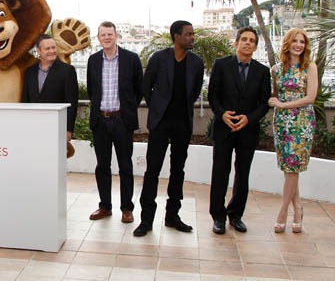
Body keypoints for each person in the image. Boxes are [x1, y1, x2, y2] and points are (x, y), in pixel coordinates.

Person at [134, 21, 204, 236]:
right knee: (152, 170)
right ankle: (146, 220)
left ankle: (172, 216)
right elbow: (146, 86)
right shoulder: (159, 58)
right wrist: (157, 107)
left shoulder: (197, 62)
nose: (192, 37)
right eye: (188, 34)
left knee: (178, 171)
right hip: (160, 122)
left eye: (193, 34)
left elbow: (195, 91)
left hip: (183, 122)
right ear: (176, 36)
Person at [208, 26, 271, 234]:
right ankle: (218, 217)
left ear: (255, 46)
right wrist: (222, 114)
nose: (247, 43)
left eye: (251, 40)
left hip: (247, 131)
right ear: (236, 42)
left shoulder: (262, 72)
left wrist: (249, 119)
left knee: (242, 175)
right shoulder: (221, 65)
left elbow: (264, 103)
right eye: (243, 39)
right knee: (220, 173)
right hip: (223, 129)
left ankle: (236, 215)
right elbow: (212, 96)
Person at [86, 21, 143, 223]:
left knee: (125, 166)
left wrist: (126, 109)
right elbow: (93, 90)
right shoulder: (93, 60)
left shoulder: (131, 59)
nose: (107, 38)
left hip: (122, 121)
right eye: (103, 35)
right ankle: (105, 206)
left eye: (110, 34)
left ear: (116, 36)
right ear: (99, 38)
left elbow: (138, 90)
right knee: (102, 166)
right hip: (100, 121)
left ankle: (127, 208)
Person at [268, 28, 317, 234]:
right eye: (295, 41)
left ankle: (283, 212)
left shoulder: (310, 67)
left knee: (292, 167)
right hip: (282, 123)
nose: (299, 45)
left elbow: (310, 97)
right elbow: (274, 96)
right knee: (289, 168)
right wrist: (275, 103)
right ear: (287, 43)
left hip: (302, 122)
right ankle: (298, 209)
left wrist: (282, 105)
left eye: (302, 42)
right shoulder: (276, 69)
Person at [22, 34, 79, 145]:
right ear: (38, 50)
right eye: (47, 48)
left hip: (57, 126)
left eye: (53, 47)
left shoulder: (67, 71)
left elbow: (72, 103)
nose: (52, 51)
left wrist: (68, 129)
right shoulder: (29, 72)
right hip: (33, 126)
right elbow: (25, 100)